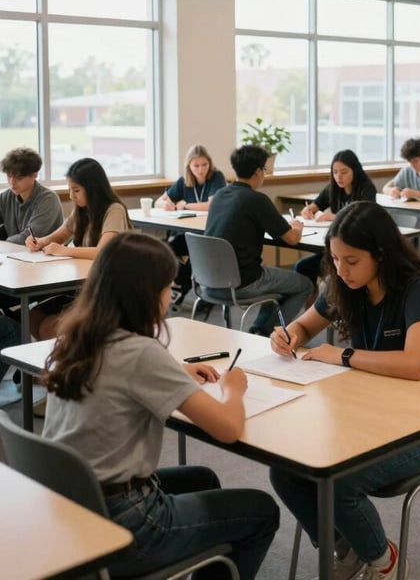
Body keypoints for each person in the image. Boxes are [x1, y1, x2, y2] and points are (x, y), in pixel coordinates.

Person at [42, 232, 279, 578]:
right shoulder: (141, 353)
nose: (170, 296)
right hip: (128, 522)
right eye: (168, 287)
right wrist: (233, 389)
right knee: (262, 511)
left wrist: (175, 372)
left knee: (202, 477)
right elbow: (227, 429)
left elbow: (121, 376)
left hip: (75, 504)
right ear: (146, 295)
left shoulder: (76, 338)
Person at [269, 201, 420, 580]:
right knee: (286, 472)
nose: (341, 270)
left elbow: (415, 364)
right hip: (367, 415)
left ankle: (384, 560)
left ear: (380, 255)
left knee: (340, 480)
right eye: (335, 259)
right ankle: (349, 548)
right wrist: (290, 335)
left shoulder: (417, 287)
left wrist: (344, 355)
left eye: (351, 261)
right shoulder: (343, 284)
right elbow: (304, 326)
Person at [204, 145, 312, 333]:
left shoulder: (220, 195)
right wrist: (297, 226)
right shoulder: (256, 199)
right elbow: (292, 239)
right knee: (304, 285)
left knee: (280, 282)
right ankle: (264, 332)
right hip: (243, 282)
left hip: (208, 281)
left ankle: (261, 328)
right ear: (258, 171)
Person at [25, 157, 131, 340]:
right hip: (83, 285)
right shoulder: (82, 210)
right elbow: (61, 233)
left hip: (107, 290)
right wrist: (39, 242)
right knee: (32, 316)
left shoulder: (114, 210)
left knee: (49, 327)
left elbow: (103, 252)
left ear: (93, 189)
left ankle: (68, 362)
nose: (71, 196)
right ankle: (59, 361)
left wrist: (65, 250)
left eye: (76, 190)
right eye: (69, 190)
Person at [294, 149, 377, 291]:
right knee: (302, 267)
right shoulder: (333, 188)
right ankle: (311, 309)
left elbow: (364, 217)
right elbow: (315, 205)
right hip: (335, 249)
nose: (339, 176)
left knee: (329, 278)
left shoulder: (366, 189)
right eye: (335, 172)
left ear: (355, 171)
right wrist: (308, 210)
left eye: (344, 172)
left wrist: (333, 217)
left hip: (354, 249)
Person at [155, 144, 227, 305]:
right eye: (196, 166)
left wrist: (185, 205)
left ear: (210, 163)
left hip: (211, 234)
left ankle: (181, 285)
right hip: (189, 233)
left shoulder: (217, 177)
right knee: (165, 247)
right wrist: (165, 205)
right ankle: (170, 284)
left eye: (204, 165)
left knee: (196, 248)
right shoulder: (183, 182)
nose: (201, 170)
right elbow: (159, 201)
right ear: (189, 166)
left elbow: (212, 205)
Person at [0, 147, 63, 244]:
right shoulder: (6, 197)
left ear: (34, 175)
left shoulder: (48, 200)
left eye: (19, 178)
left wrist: (4, 243)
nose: (12, 183)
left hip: (45, 256)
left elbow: (28, 237)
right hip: (14, 254)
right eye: (9, 176)